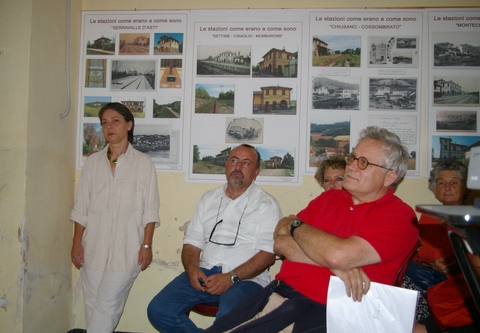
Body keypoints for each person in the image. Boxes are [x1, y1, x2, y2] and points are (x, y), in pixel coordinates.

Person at [205, 126, 418, 333]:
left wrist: (294, 224)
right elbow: (280, 242)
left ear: (389, 177)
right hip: (280, 295)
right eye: (352, 157)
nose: (351, 166)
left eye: (363, 162)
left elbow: (338, 254)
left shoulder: (400, 216)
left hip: (333, 313)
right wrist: (334, 265)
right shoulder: (330, 198)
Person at [147, 144, 282, 333]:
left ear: (256, 171)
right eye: (234, 160)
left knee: (228, 319)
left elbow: (268, 255)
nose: (238, 167)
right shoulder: (208, 199)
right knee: (159, 310)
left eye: (246, 163)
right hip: (205, 272)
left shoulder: (267, 204)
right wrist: (192, 269)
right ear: (226, 164)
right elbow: (192, 243)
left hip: (246, 280)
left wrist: (231, 278)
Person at [70, 102, 160, 333]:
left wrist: (146, 245)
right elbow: (82, 207)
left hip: (127, 249)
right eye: (104, 123)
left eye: (115, 121)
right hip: (93, 249)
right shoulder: (92, 163)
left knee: (108, 306)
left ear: (129, 125)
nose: (109, 127)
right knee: (92, 306)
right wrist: (76, 242)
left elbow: (150, 209)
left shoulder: (143, 163)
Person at [405, 159, 478, 332]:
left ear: (465, 187)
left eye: (454, 182)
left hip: (458, 290)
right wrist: (432, 262)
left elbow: (466, 257)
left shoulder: (474, 219)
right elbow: (412, 252)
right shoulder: (428, 216)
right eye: (441, 183)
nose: (447, 188)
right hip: (427, 281)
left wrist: (436, 257)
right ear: (434, 189)